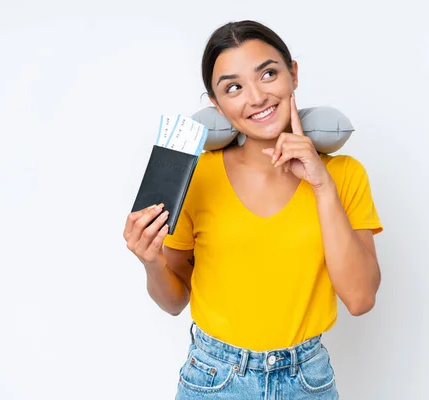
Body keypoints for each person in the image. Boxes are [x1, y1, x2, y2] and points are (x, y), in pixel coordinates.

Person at [123, 20, 383, 399]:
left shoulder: (343, 176)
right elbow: (174, 301)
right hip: (214, 379)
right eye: (233, 87)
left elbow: (360, 300)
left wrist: (322, 187)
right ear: (217, 104)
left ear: (293, 74)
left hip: (307, 380)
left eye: (268, 73)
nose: (257, 97)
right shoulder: (198, 177)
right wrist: (151, 262)